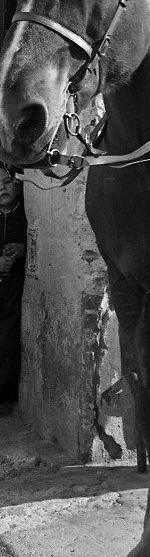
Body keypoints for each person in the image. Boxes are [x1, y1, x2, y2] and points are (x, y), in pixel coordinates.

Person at [0, 166, 27, 415]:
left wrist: (21, 249)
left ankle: (4, 398)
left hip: (11, 289)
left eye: (7, 182)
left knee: (8, 340)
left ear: (18, 185)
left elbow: (33, 241)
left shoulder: (24, 215)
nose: (2, 188)